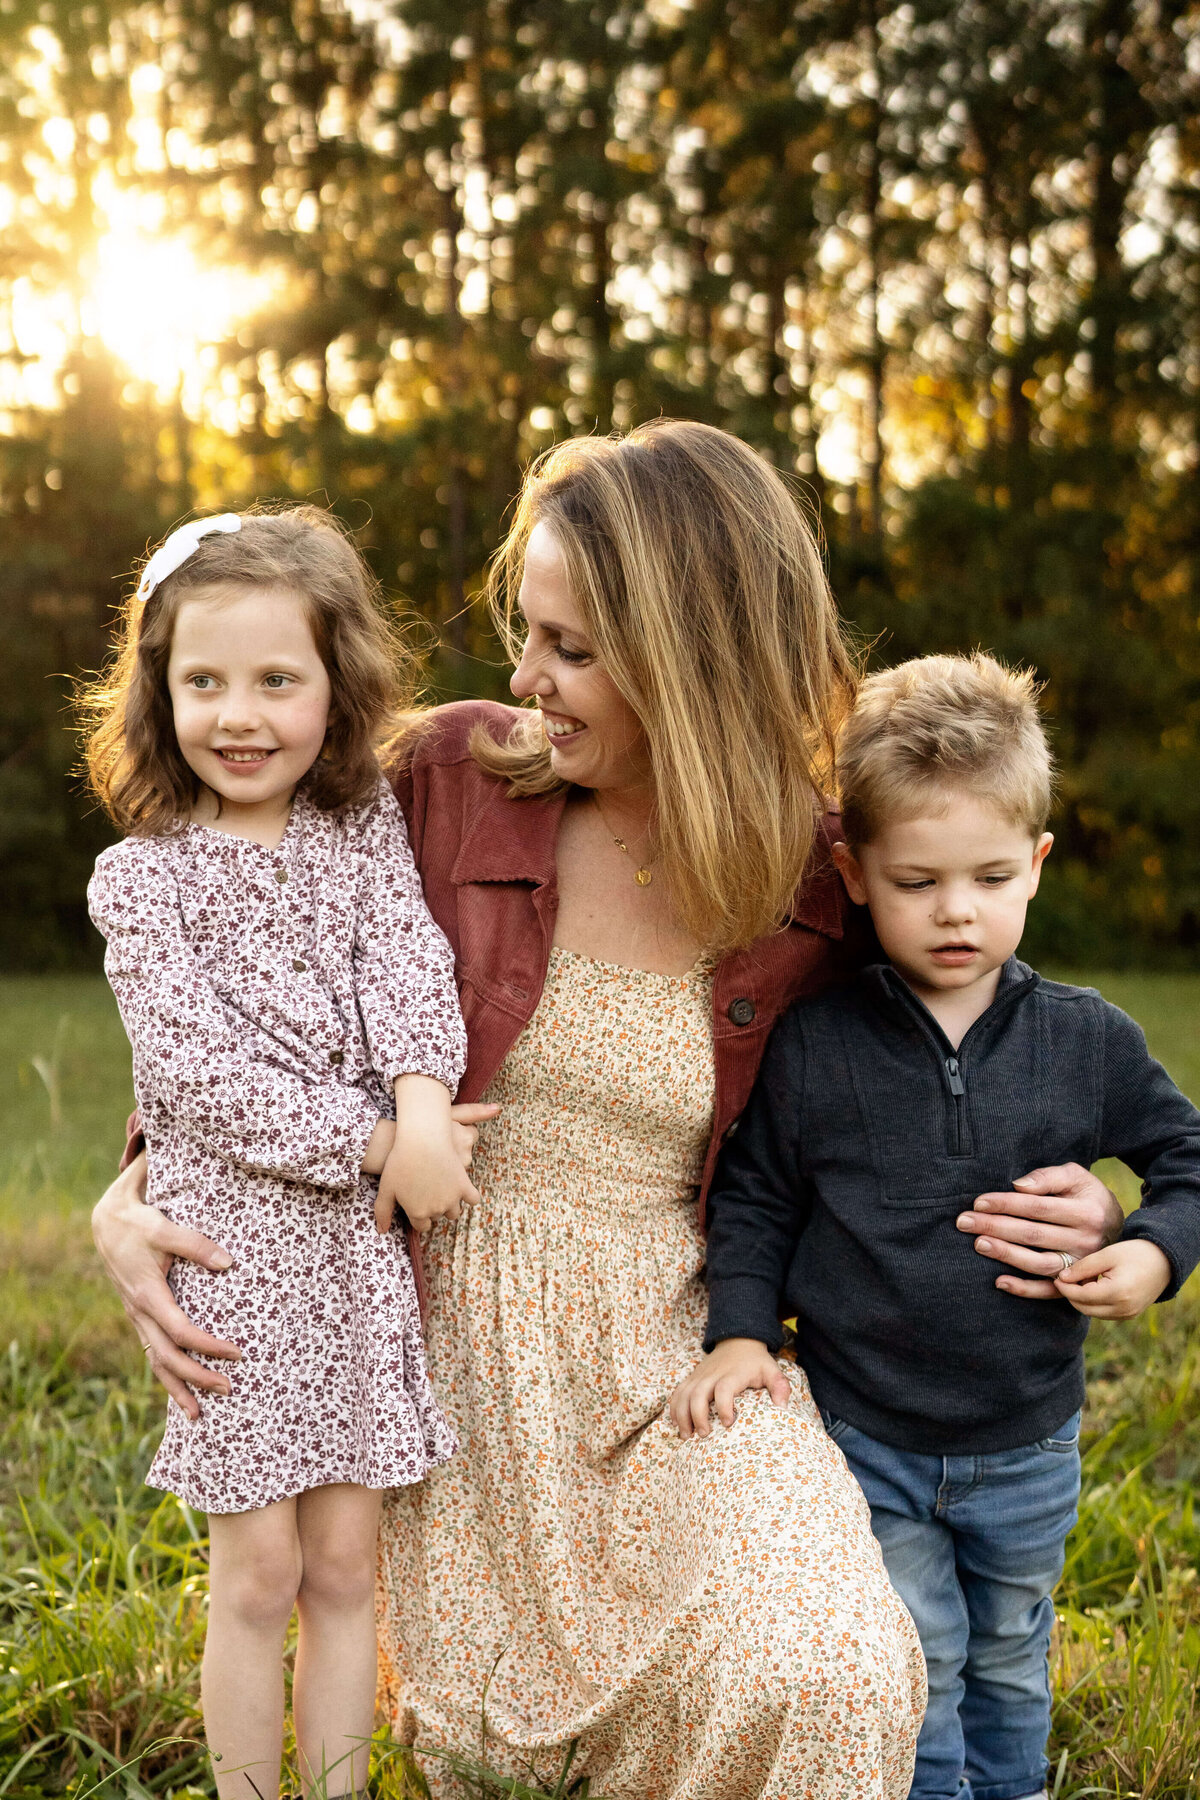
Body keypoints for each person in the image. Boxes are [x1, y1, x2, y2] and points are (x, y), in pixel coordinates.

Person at [92, 425, 1124, 1800]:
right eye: (529, 633)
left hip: (685, 1356)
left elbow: (988, 1024)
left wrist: (1112, 1198)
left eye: (568, 649)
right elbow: (235, 983)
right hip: (428, 1352)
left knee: (829, 1670)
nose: (523, 679)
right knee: (504, 1742)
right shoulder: (439, 780)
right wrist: (131, 1193)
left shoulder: (826, 876)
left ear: (692, 658)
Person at [672, 652, 1200, 1800]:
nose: (956, 910)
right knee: (924, 1655)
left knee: (1010, 1653)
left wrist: (1155, 1251)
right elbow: (757, 1197)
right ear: (854, 874)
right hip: (869, 1432)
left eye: (990, 876)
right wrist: (742, 1335)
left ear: (1037, 867)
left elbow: (1186, 1157)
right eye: (917, 881)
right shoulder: (818, 1042)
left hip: (1026, 1435)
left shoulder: (1086, 1039)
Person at [81, 508, 471, 1800]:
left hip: (353, 1265)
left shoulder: (359, 835)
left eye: (275, 681)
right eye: (203, 682)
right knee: (257, 1572)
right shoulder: (142, 883)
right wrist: (372, 1141)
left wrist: (422, 1103)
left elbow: (413, 965)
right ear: (160, 691)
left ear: (333, 685)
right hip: (235, 1255)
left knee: (346, 1566)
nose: (238, 715)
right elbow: (200, 1083)